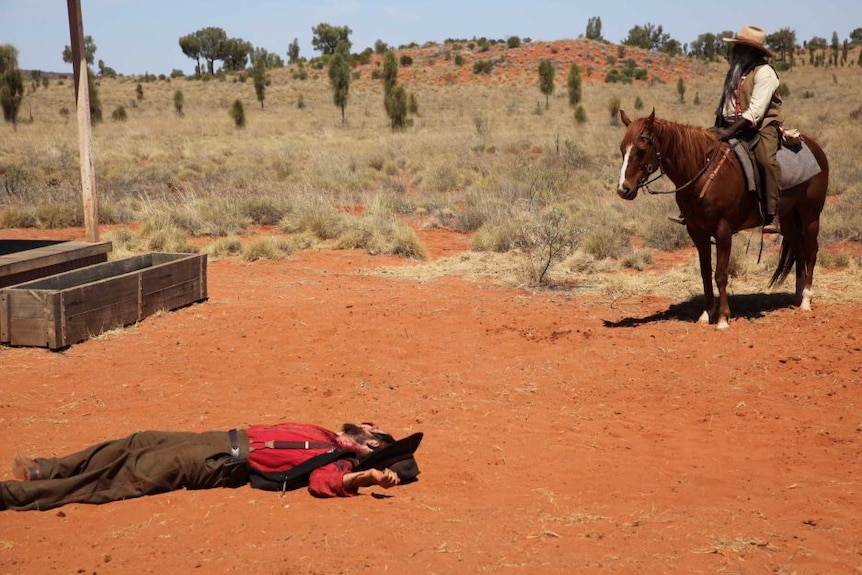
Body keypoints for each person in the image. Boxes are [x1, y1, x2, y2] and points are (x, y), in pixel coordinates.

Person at [0, 421, 421, 512]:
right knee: (138, 440)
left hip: (220, 462)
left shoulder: (338, 458)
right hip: (221, 438)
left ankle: (18, 496)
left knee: (132, 472)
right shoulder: (329, 435)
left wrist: (362, 477)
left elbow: (322, 483)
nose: (368, 425)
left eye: (375, 435)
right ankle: (47, 469)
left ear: (371, 449)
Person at [671, 25, 784, 234]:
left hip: (760, 127)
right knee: (696, 151)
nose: (733, 53)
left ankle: (771, 214)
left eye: (738, 49)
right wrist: (717, 128)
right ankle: (689, 210)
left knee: (766, 161)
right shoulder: (736, 71)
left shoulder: (765, 73)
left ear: (751, 51)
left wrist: (728, 132)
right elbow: (725, 104)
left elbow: (755, 113)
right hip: (730, 125)